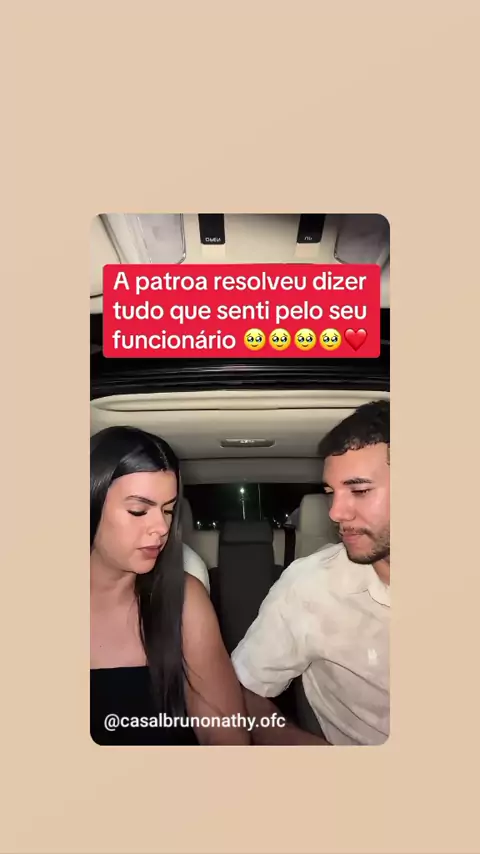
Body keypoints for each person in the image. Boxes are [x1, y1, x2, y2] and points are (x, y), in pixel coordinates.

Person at [231, 399, 390, 746]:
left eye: (360, 490)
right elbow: (241, 690)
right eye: (330, 492)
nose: (335, 513)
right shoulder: (311, 586)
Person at [90, 426, 250, 745]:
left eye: (168, 510)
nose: (162, 527)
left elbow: (225, 737)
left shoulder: (184, 600)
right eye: (138, 510)